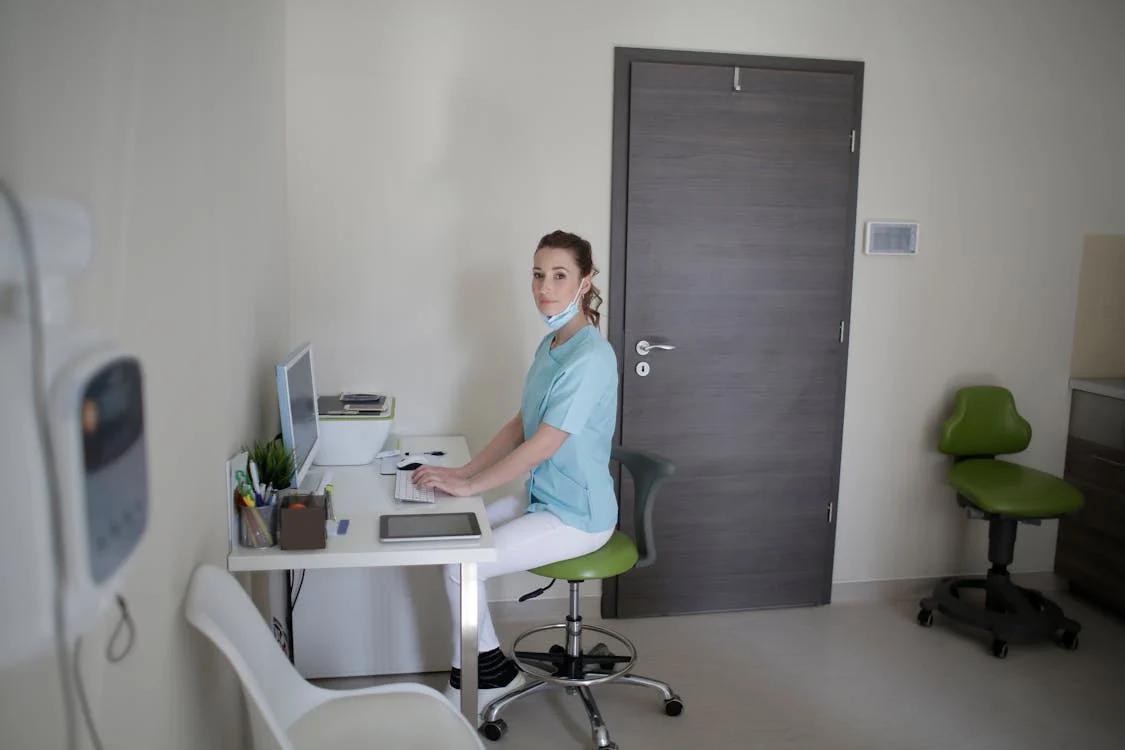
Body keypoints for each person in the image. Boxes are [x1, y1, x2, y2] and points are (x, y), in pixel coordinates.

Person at [411, 229, 619, 713]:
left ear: (585, 282)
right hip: (545, 497)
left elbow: (543, 444)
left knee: (464, 568)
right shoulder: (551, 346)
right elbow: (520, 425)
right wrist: (465, 472)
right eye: (538, 274)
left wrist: (469, 485)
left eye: (560, 275)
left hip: (578, 515)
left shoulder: (591, 358)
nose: (545, 287)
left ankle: (484, 678)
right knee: (457, 550)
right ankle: (491, 670)